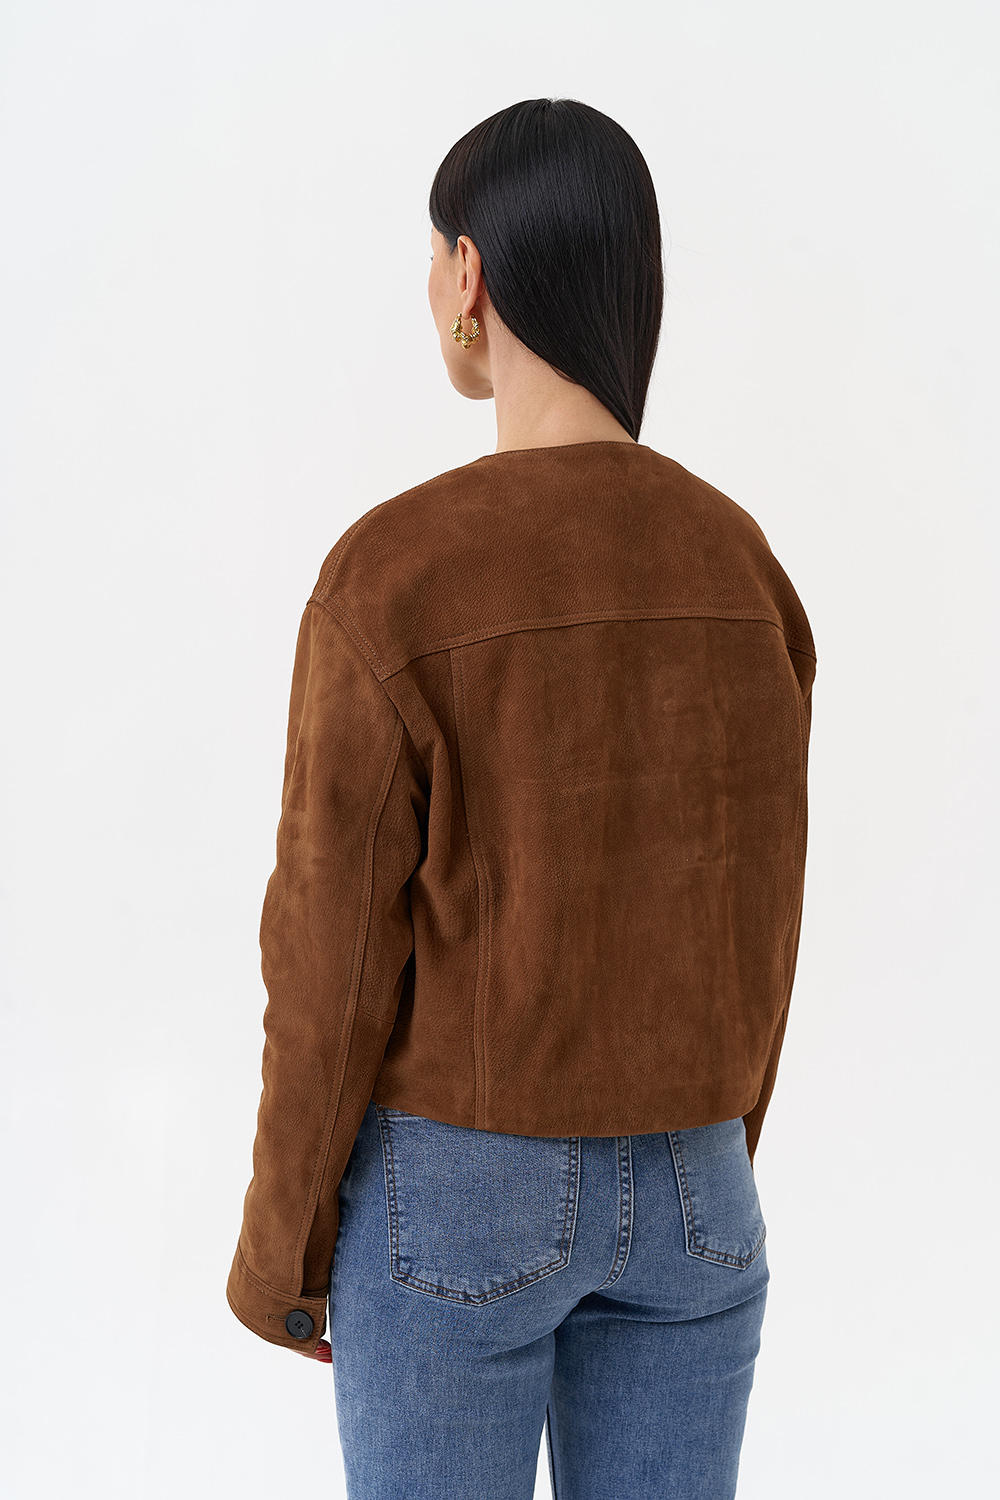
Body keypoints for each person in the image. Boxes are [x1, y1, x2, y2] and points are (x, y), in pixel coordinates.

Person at [227, 96, 816, 1500]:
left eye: (433, 256)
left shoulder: (396, 573)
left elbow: (328, 954)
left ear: (470, 274)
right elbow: (762, 917)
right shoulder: (741, 564)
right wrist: (710, 1151)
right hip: (699, 1185)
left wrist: (282, 1254)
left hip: (456, 1200)